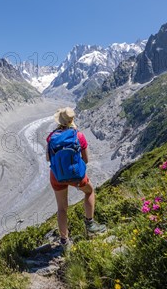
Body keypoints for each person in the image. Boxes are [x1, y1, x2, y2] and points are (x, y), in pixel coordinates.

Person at [46, 107, 107, 251]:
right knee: (89, 191)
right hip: (75, 175)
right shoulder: (78, 136)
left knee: (62, 208)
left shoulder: (51, 137)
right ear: (71, 120)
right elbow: (86, 160)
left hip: (57, 176)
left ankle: (64, 241)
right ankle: (90, 224)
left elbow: (48, 158)